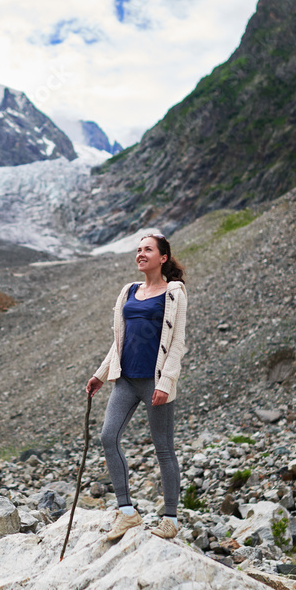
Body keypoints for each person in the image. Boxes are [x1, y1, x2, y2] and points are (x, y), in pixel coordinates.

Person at [86, 231, 187, 541]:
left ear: (163, 257)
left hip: (155, 383)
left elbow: (177, 344)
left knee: (164, 449)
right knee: (107, 436)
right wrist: (101, 375)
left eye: (148, 249)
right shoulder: (128, 291)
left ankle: (170, 518)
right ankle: (128, 513)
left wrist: (166, 383)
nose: (140, 254)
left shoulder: (174, 293)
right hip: (126, 379)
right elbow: (119, 340)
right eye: (138, 249)